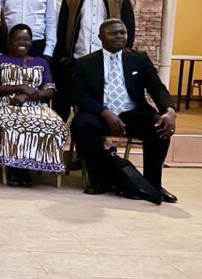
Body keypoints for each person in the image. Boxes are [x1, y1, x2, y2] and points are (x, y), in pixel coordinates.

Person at [71, 19, 177, 203]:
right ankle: (99, 180)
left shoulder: (139, 59)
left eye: (123, 32)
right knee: (82, 125)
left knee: (159, 127)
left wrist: (169, 111)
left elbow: (157, 88)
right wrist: (104, 112)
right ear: (101, 37)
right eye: (114, 33)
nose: (120, 36)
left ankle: (153, 184)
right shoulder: (85, 63)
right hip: (100, 113)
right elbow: (78, 94)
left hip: (132, 113)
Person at [53, 0, 136, 121]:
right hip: (77, 61)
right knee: (65, 105)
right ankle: (58, 142)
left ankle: (103, 145)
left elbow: (129, 29)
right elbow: (62, 32)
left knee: (100, 108)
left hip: (106, 63)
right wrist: (63, 59)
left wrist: (123, 57)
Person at [0, 24, 67, 187]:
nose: (22, 42)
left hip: (36, 106)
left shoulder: (41, 62)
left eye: (26, 39)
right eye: (17, 39)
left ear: (31, 42)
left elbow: (50, 90)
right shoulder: (0, 59)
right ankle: (15, 169)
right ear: (9, 41)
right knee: (14, 123)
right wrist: (20, 88)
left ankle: (29, 169)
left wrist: (27, 95)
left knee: (55, 124)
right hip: (5, 104)